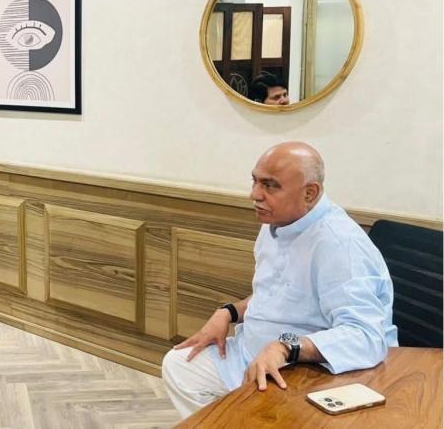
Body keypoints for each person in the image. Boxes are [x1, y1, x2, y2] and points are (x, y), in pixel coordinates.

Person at [161, 141, 397, 420]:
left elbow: (367, 337)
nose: (254, 194)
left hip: (309, 368)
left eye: (270, 185)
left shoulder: (339, 244)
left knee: (260, 409)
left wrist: (286, 346)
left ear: (310, 193)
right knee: (181, 365)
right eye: (255, 181)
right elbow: (278, 294)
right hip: (254, 351)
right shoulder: (277, 222)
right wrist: (228, 312)